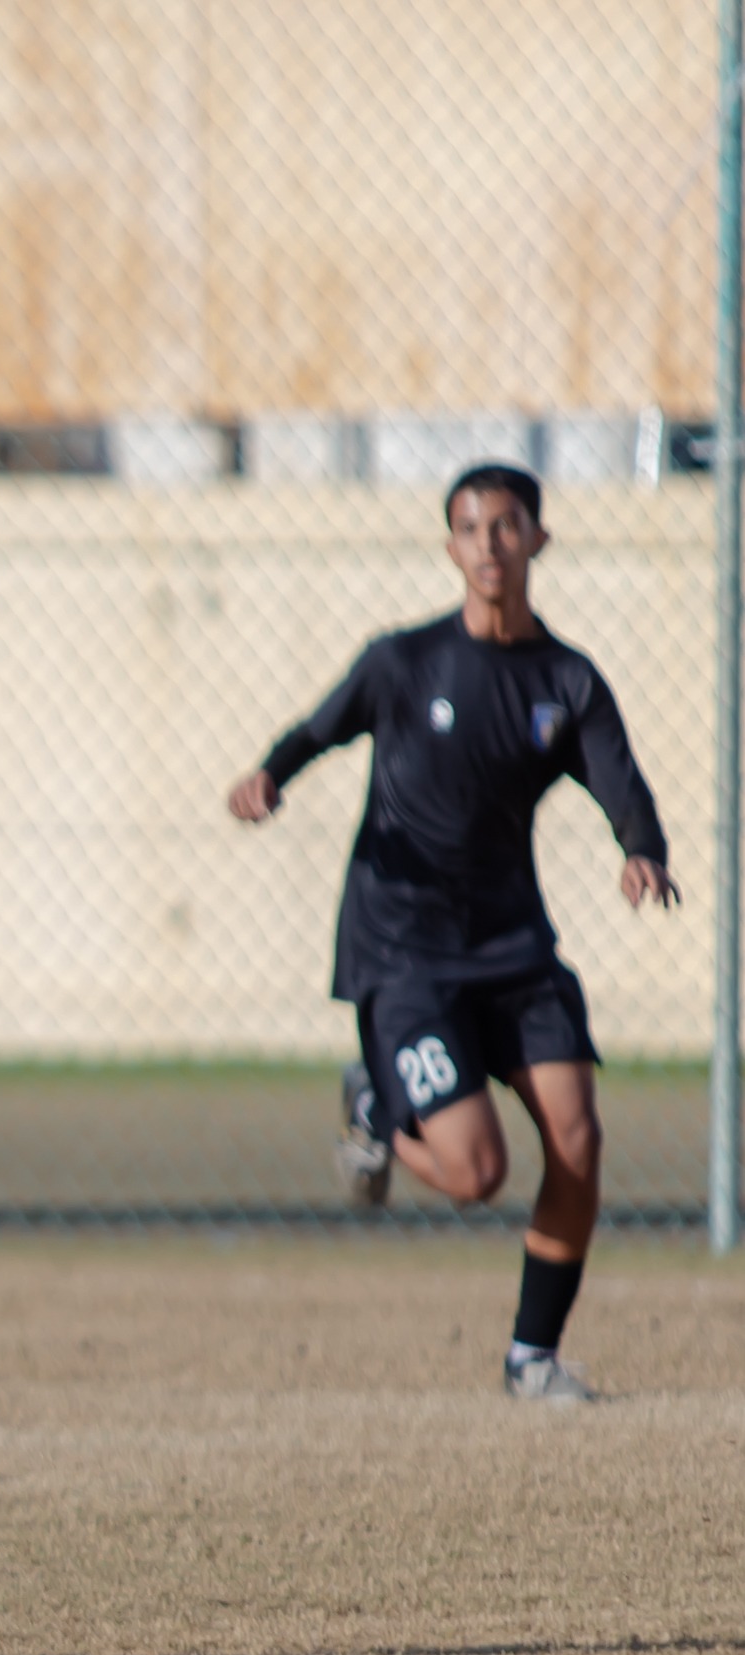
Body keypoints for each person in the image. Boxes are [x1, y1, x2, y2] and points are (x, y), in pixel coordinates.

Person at [228, 460, 676, 1402]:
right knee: (476, 1173)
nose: (489, 546)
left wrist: (642, 849)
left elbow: (618, 780)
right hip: (402, 951)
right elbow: (317, 730)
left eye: (507, 527)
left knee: (579, 1140)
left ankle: (532, 1358)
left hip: (514, 951)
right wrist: (271, 775)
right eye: (470, 529)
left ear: (538, 541)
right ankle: (381, 1109)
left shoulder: (566, 678)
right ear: (450, 547)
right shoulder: (402, 662)